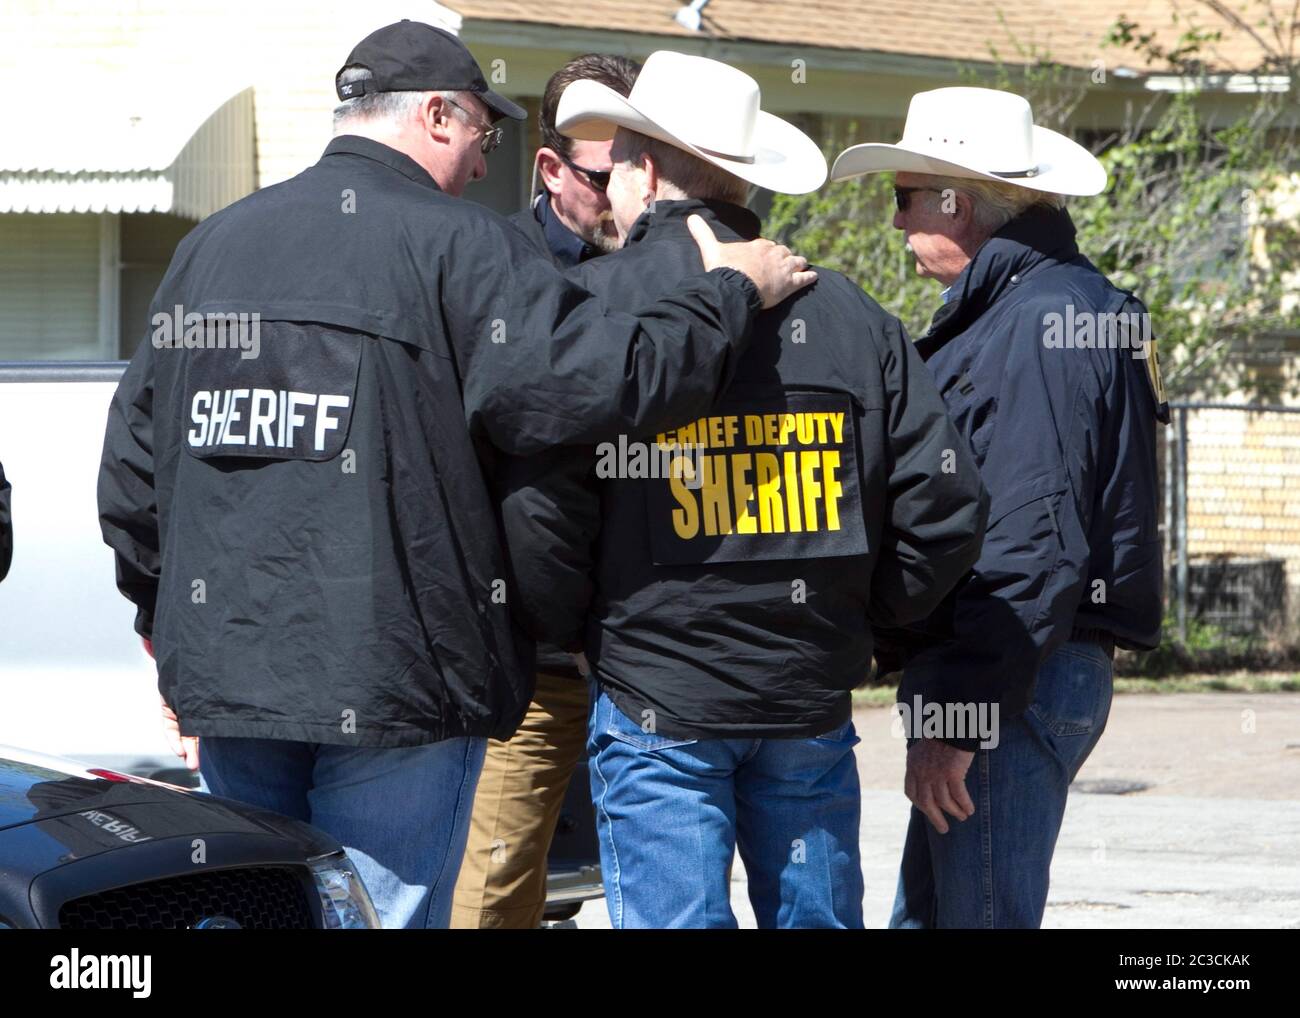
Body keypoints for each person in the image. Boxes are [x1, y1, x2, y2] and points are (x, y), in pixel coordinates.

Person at [96, 21, 813, 930]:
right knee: (373, 917)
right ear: (436, 114)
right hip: (399, 678)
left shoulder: (212, 247)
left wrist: (166, 623)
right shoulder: (465, 249)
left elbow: (131, 469)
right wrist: (730, 294)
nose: (485, 165)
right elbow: (595, 386)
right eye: (483, 131)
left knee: (258, 912)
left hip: (239, 672)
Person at [500, 51, 988, 928]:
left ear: (644, 170)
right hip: (804, 701)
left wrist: (582, 634)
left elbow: (539, 508)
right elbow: (944, 509)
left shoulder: (584, 306)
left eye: (614, 160)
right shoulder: (852, 316)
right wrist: (860, 626)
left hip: (658, 701)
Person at [831, 86, 1169, 928]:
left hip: (1016, 669)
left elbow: (1029, 536)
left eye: (904, 198)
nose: (898, 223)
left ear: (962, 202)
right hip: (1019, 668)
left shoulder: (1037, 322)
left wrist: (961, 707)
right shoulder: (1046, 306)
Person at [452, 51, 640, 930]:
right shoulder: (493, 270)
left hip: (651, 662)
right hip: (534, 667)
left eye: (648, 164)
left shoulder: (675, 272)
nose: (630, 191)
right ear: (551, 167)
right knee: (493, 899)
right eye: (608, 175)